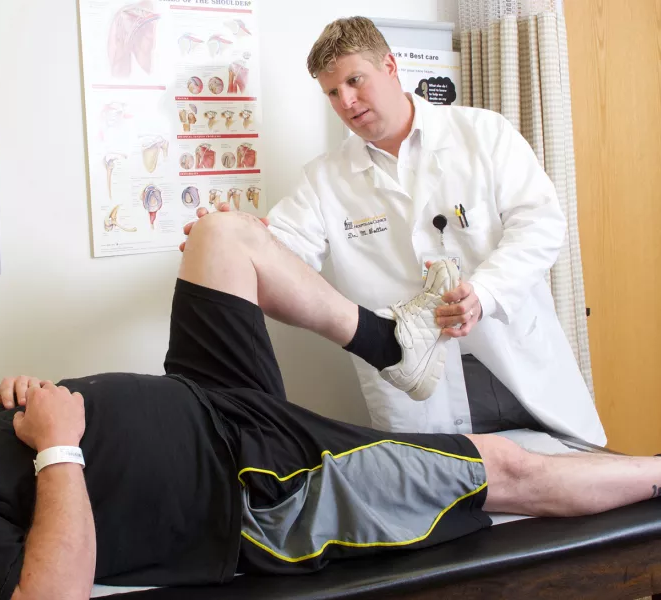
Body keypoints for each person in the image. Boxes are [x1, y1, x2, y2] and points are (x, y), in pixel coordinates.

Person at [0, 212, 652, 600]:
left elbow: (13, 452)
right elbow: (49, 593)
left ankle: (392, 344)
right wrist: (58, 446)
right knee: (507, 468)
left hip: (208, 400)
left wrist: (18, 402)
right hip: (256, 487)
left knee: (223, 236)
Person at [187, 16, 604, 444]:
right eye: (333, 91)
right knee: (450, 500)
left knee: (565, 491)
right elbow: (282, 254)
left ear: (389, 67)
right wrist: (237, 241)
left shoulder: (483, 134)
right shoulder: (325, 179)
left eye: (355, 80)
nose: (347, 100)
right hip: (421, 392)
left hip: (510, 359)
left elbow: (540, 224)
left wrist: (486, 292)